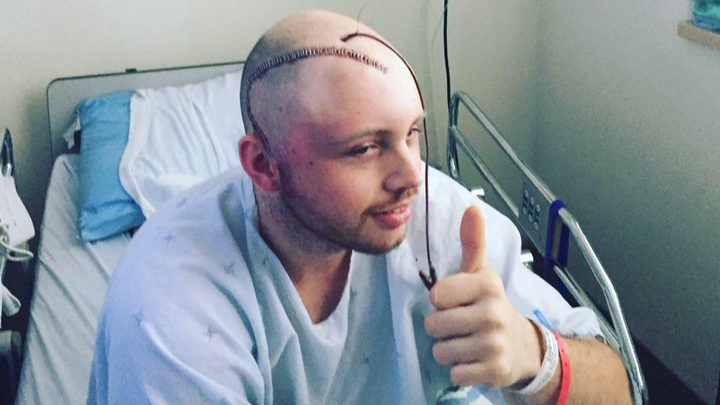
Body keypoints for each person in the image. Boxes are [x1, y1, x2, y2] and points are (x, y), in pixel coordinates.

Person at [87, 9, 632, 405]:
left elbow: (619, 389)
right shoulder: (171, 314)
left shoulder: (440, 222)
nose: (411, 177)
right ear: (263, 165)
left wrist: (535, 359)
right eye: (364, 148)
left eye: (412, 134)